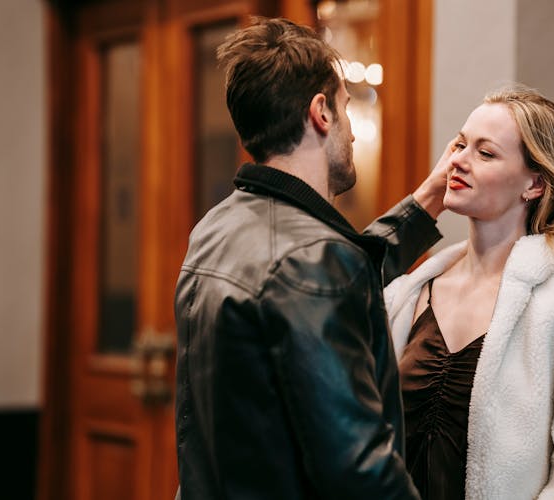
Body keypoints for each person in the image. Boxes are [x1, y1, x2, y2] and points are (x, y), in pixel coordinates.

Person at [174, 17, 449, 500]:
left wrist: (423, 205)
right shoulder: (316, 260)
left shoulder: (215, 228)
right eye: (346, 107)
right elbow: (359, 469)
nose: (354, 133)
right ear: (320, 112)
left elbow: (322, 276)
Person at [385, 85, 554, 499]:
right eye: (460, 144)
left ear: (534, 184)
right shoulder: (408, 293)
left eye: (485, 152)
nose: (457, 161)